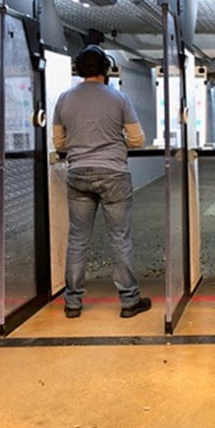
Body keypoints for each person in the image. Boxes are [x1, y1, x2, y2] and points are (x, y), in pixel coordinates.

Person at [53, 45, 151, 319]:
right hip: (114, 174)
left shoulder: (63, 99)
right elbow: (137, 139)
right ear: (106, 69)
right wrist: (113, 142)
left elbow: (59, 143)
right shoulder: (119, 99)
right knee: (120, 238)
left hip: (79, 174)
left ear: (78, 70)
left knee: (77, 239)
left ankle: (72, 303)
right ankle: (129, 300)